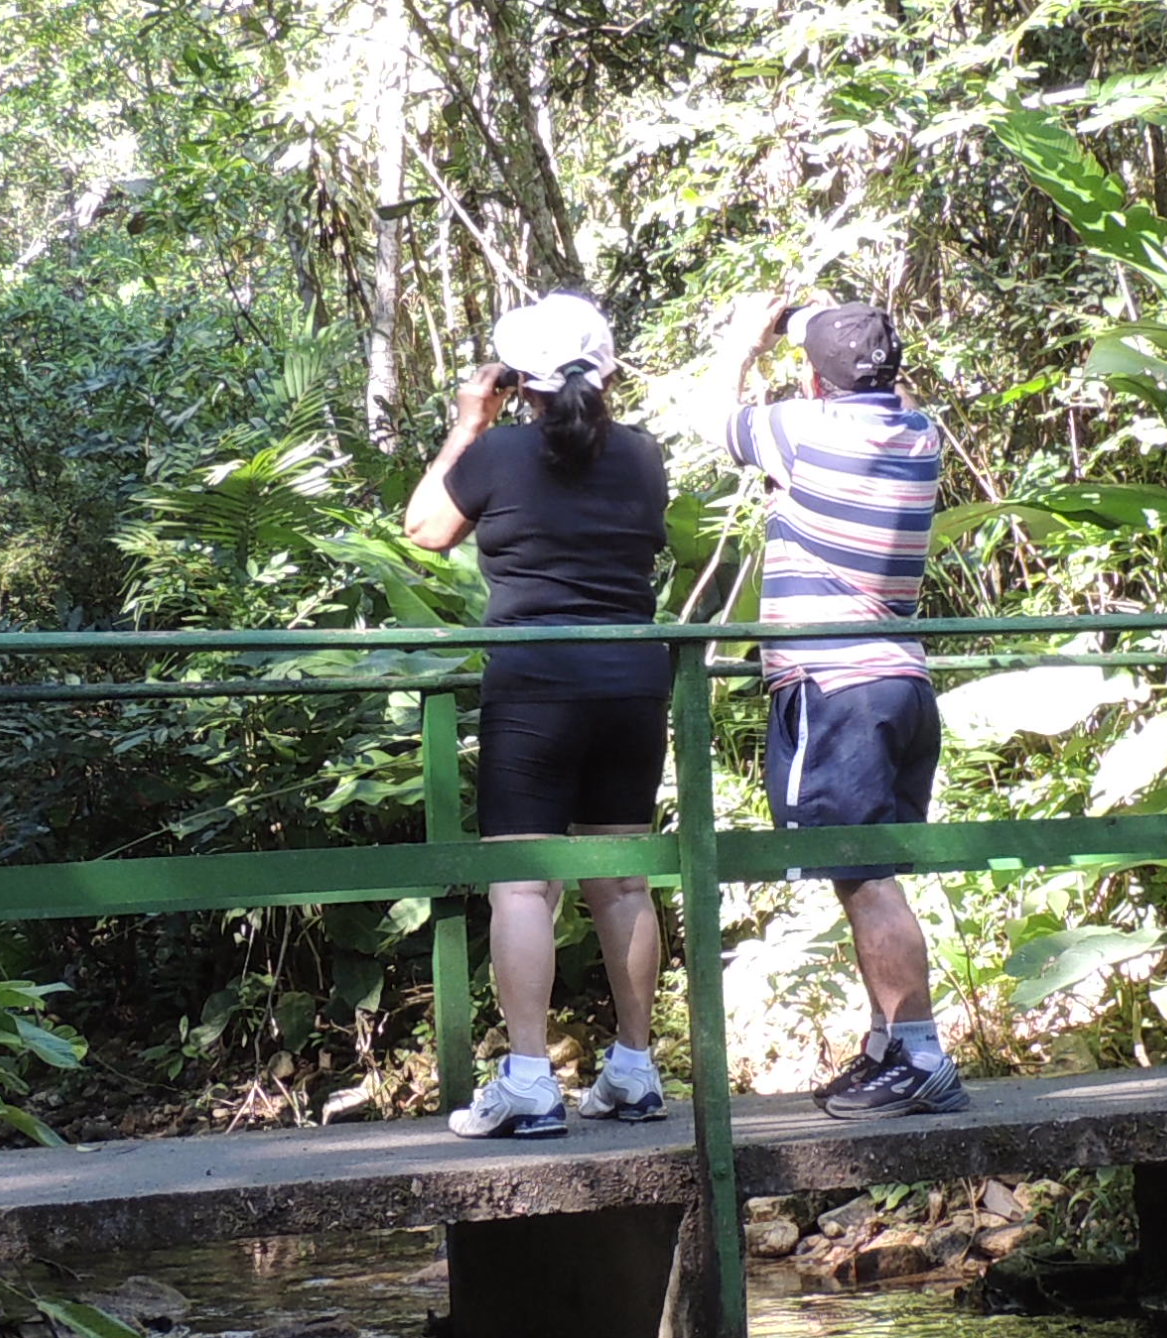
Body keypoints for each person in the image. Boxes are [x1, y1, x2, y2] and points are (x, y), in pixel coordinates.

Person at [403, 290, 674, 1140]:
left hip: (536, 683)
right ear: (609, 367)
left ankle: (527, 1078)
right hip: (634, 679)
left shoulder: (501, 455)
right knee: (622, 879)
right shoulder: (645, 457)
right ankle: (633, 1069)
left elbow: (423, 529)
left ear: (515, 381)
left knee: (524, 882)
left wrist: (467, 423)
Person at [720, 297, 966, 1118]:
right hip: (897, 678)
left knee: (863, 877)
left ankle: (921, 1052)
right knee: (870, 870)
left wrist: (747, 345)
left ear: (815, 377)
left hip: (836, 684)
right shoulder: (921, 434)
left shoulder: (808, 431)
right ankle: (888, 1046)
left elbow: (719, 421)